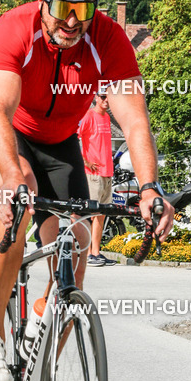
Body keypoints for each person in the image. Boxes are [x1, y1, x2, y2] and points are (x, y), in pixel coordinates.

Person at [0, 0, 174, 381]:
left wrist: (149, 188)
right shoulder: (13, 29)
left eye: (83, 10)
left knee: (77, 244)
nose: (71, 21)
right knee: (16, 196)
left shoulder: (108, 39)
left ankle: (42, 378)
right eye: (62, 6)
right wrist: (10, 177)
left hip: (60, 143)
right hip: (6, 133)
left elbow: (136, 123)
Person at [78, 94, 117, 266]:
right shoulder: (88, 116)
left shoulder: (107, 117)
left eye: (108, 97)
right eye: (102, 97)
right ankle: (86, 254)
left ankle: (96, 252)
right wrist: (85, 161)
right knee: (90, 215)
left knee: (101, 215)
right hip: (92, 174)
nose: (106, 100)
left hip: (107, 172)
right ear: (95, 98)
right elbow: (74, 137)